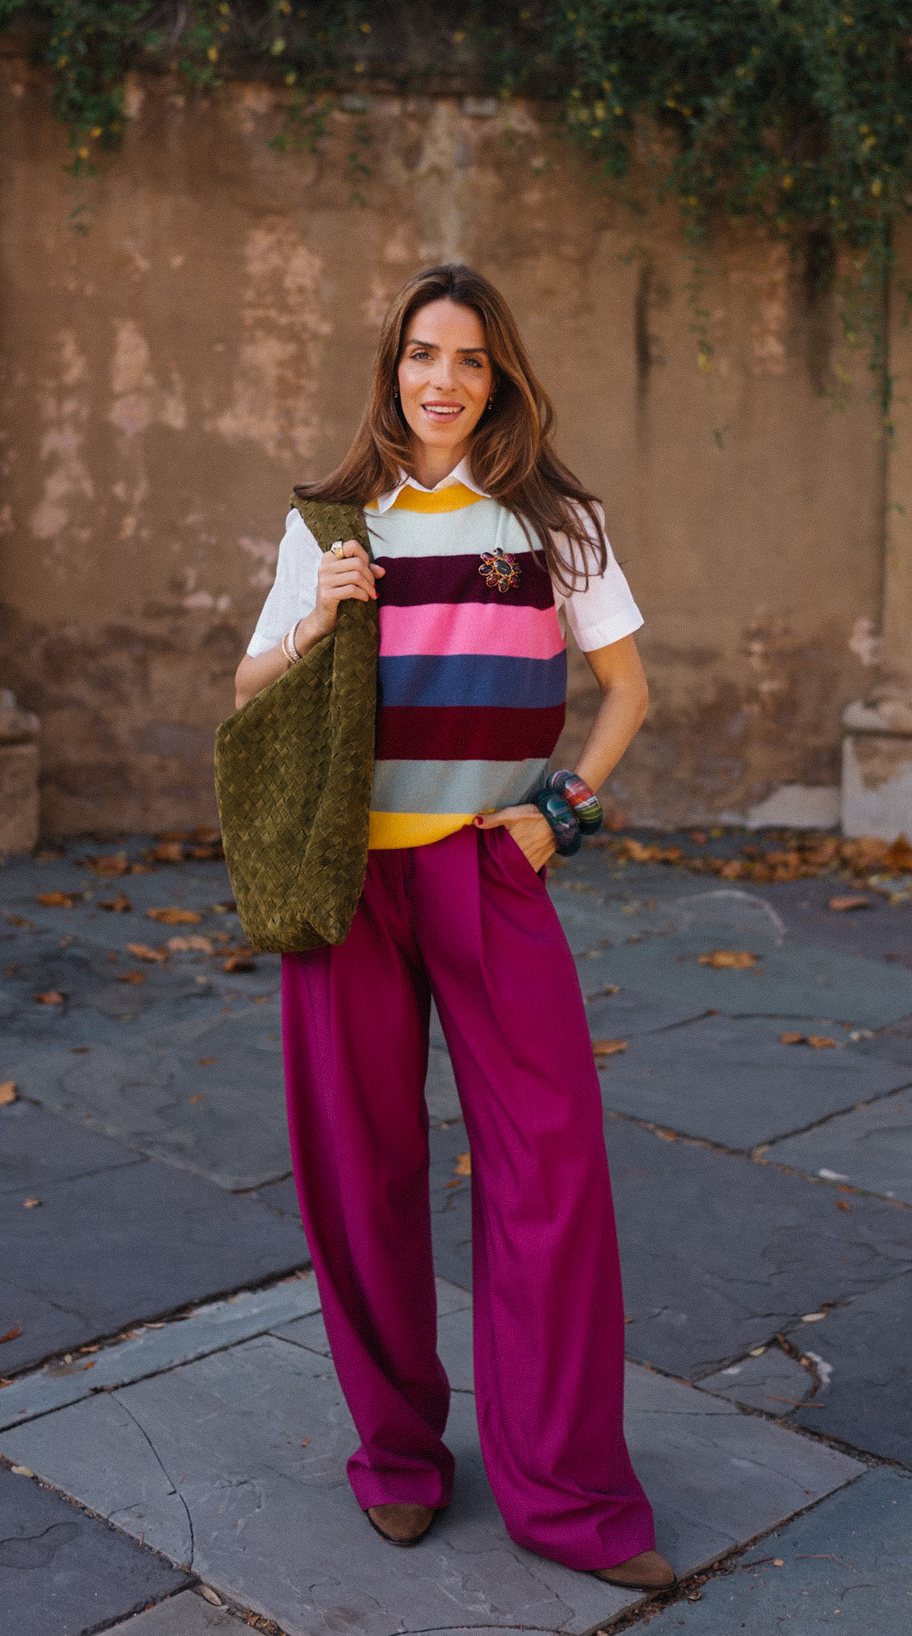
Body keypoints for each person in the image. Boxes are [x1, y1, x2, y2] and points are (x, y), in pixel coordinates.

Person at [235, 262, 674, 1593]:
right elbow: (250, 690)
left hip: (490, 872)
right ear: (393, 367)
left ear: (501, 377)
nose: (443, 380)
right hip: (347, 883)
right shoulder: (332, 526)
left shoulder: (557, 521)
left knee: (550, 1167)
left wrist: (567, 814)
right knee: (359, 1172)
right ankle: (401, 1460)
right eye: (424, 354)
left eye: (470, 359)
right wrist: (320, 614)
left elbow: (629, 692)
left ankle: (567, 1490)